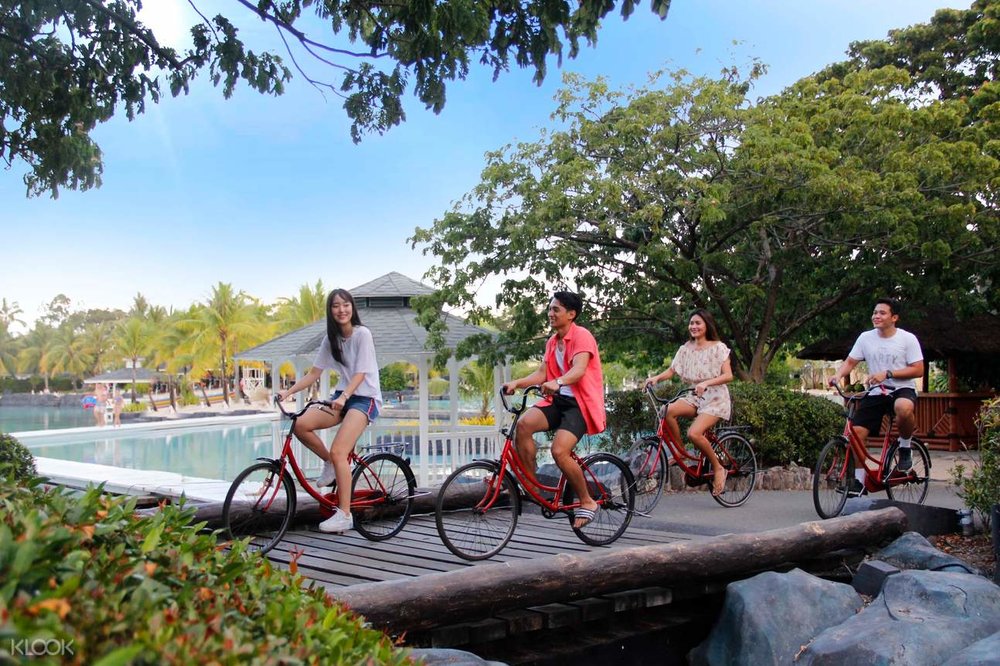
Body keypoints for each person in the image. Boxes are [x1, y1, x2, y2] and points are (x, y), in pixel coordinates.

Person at [277, 289, 382, 534]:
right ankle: (330, 463)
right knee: (300, 424)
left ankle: (344, 514)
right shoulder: (330, 339)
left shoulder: (362, 334)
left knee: (339, 450)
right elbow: (314, 373)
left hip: (364, 399)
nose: (341, 310)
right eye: (336, 306)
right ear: (330, 310)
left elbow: (361, 373)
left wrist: (345, 397)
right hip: (342, 398)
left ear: (352, 308)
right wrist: (288, 392)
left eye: (346, 305)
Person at [501, 291, 605, 529]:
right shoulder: (552, 341)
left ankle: (587, 501)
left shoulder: (582, 336)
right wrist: (517, 383)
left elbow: (579, 369)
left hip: (579, 404)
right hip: (558, 401)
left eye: (555, 309)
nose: (550, 313)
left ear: (571, 314)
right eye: (549, 309)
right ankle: (532, 486)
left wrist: (557, 382)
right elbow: (542, 374)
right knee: (524, 426)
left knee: (560, 451)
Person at [829, 298, 924, 491]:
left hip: (901, 388)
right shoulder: (865, 338)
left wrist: (889, 373)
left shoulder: (907, 339)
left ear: (894, 317)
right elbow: (850, 362)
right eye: (874, 312)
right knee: (856, 434)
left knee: (903, 408)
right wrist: (837, 375)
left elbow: (918, 369)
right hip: (876, 392)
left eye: (882, 313)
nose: (876, 316)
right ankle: (859, 481)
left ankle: (905, 447)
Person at [643, 309, 734, 496]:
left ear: (707, 325)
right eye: (691, 323)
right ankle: (681, 454)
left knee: (694, 433)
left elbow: (728, 375)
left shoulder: (718, 347)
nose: (693, 326)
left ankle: (718, 468)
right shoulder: (685, 349)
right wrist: (656, 379)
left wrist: (706, 382)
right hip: (694, 396)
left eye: (698, 323)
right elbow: (671, 371)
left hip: (715, 397)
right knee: (666, 410)